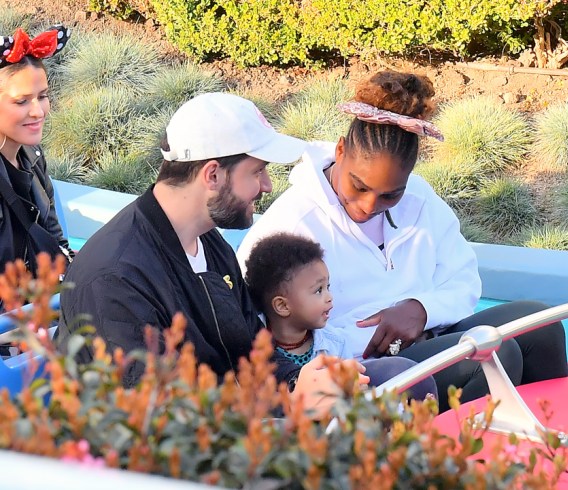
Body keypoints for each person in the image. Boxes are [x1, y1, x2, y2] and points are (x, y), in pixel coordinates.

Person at [57, 92, 420, 416]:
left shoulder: (209, 242)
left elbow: (253, 350)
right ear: (213, 175)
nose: (267, 185)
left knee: (402, 380)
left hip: (242, 424)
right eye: (258, 171)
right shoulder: (115, 277)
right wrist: (290, 404)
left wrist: (300, 381)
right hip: (178, 457)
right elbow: (162, 410)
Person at [236, 70, 568, 410]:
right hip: (365, 368)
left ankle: (560, 444)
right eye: (359, 186)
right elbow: (260, 329)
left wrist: (421, 309)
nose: (368, 206)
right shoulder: (292, 223)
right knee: (492, 354)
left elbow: (464, 279)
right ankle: (456, 460)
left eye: (389, 196)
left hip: (436, 336)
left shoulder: (420, 200)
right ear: (340, 149)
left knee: (540, 325)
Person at [245, 231, 436, 400]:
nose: (329, 297)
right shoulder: (251, 344)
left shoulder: (335, 344)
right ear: (282, 306)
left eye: (328, 287)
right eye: (318, 290)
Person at [0, 25, 74, 281]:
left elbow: (55, 238)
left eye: (42, 96)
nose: (38, 111)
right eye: (21, 101)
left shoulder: (32, 155)